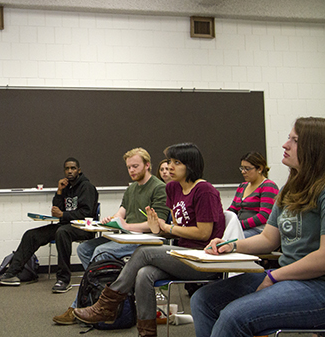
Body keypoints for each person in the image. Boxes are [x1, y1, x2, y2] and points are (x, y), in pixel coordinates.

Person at [72, 143, 225, 337]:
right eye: (169, 161)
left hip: (203, 257)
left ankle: (106, 304)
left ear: (191, 165)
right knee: (144, 274)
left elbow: (204, 233)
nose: (169, 166)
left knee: (143, 252)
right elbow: (179, 230)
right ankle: (146, 334)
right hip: (182, 253)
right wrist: (159, 228)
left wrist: (167, 228)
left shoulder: (204, 190)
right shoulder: (173, 189)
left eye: (176, 162)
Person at [191, 117, 325, 337]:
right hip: (288, 277)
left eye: (295, 140)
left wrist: (274, 277)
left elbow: (323, 257)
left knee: (234, 316)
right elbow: (268, 239)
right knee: (202, 300)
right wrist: (230, 245)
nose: (285, 144)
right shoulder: (289, 189)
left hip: (317, 286)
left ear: (314, 148)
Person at [53, 147, 169, 325]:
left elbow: (158, 225)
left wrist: (127, 225)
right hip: (127, 236)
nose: (131, 170)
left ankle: (82, 304)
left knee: (101, 252)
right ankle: (104, 292)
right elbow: (121, 213)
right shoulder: (131, 189)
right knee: (85, 249)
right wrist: (111, 220)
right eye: (129, 167)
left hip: (146, 240)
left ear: (147, 165)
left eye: (135, 166)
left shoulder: (159, 188)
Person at [0, 157, 99, 293]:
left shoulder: (86, 187)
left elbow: (86, 212)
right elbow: (57, 211)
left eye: (73, 168)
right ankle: (11, 274)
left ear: (79, 170)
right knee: (31, 235)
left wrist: (63, 215)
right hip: (65, 226)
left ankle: (63, 280)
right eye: (67, 168)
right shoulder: (66, 187)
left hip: (83, 228)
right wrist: (59, 192)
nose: (70, 171)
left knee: (62, 233)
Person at [227, 152, 279, 238]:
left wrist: (239, 225)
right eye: (242, 168)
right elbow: (233, 209)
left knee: (232, 240)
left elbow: (264, 216)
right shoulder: (242, 186)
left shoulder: (268, 186)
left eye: (247, 169)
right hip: (241, 228)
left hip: (259, 230)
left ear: (260, 169)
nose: (243, 172)